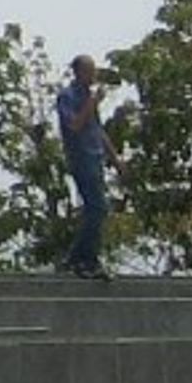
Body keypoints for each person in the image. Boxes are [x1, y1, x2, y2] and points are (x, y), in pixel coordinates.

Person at [54, 54, 111, 278]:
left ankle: (81, 258)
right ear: (79, 72)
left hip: (95, 156)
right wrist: (93, 103)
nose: (94, 76)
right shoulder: (67, 96)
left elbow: (97, 129)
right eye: (90, 71)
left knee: (97, 208)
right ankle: (83, 258)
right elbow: (76, 124)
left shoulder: (88, 97)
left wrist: (116, 159)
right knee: (98, 206)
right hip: (81, 157)